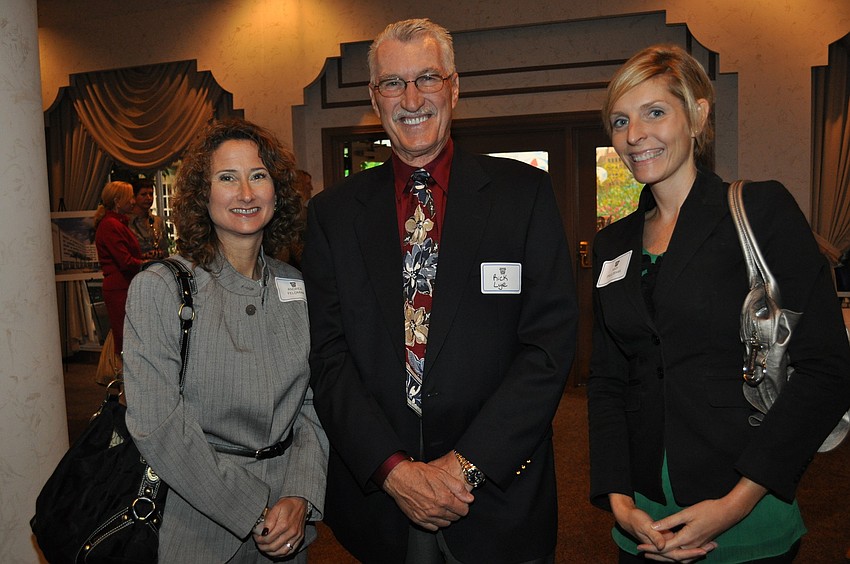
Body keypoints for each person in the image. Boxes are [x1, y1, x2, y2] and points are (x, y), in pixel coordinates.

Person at [302, 18, 577, 564]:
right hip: (381, 506)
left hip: (499, 495)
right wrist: (393, 470)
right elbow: (327, 357)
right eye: (393, 83)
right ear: (374, 98)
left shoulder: (523, 195)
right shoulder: (333, 214)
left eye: (427, 78)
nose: (412, 99)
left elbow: (548, 347)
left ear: (454, 88)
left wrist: (465, 465)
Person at [588, 44, 850, 563]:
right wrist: (618, 499)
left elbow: (827, 368)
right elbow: (608, 378)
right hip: (641, 511)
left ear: (698, 116)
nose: (634, 134)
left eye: (654, 112)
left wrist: (735, 504)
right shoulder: (611, 244)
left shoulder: (760, 209)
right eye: (620, 120)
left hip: (746, 498)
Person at [123, 118, 328, 563]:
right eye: (227, 178)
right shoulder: (160, 287)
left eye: (259, 175)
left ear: (278, 191)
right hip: (196, 525)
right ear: (203, 193)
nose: (246, 193)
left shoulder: (295, 286)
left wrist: (300, 494)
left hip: (288, 527)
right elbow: (156, 423)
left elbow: (311, 404)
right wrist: (252, 509)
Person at [93, 180, 143, 354]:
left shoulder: (116, 223)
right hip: (120, 289)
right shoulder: (111, 225)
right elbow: (126, 262)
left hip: (123, 286)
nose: (133, 201)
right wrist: (149, 264)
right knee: (126, 338)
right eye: (130, 197)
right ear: (117, 201)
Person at [128, 177, 170, 260]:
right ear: (134, 197)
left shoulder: (157, 221)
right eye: (143, 194)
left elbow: (165, 249)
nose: (148, 198)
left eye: (151, 194)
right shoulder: (127, 222)